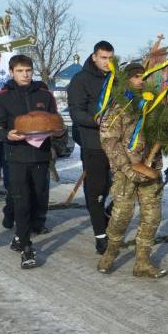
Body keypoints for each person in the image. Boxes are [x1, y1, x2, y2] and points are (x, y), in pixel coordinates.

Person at [0, 55, 64, 269]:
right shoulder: (3, 96)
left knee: (38, 199)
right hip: (17, 156)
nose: (25, 74)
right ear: (12, 72)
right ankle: (26, 248)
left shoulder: (44, 93)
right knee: (21, 202)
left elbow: (55, 120)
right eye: (21, 71)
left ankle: (19, 236)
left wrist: (58, 133)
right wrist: (7, 135)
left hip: (41, 156)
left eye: (28, 71)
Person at [97, 62, 168, 279]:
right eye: (136, 77)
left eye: (143, 77)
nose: (141, 81)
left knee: (152, 217)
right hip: (125, 171)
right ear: (127, 79)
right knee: (121, 215)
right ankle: (110, 253)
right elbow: (109, 141)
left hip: (150, 170)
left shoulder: (153, 105)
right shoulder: (118, 108)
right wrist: (127, 168)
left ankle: (142, 263)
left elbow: (161, 133)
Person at [68, 40, 115, 254]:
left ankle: (105, 214)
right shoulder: (81, 79)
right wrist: (95, 120)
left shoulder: (115, 79)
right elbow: (76, 111)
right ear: (94, 57)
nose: (107, 62)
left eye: (110, 58)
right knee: (96, 189)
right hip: (92, 141)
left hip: (116, 142)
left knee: (115, 187)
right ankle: (100, 235)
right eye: (103, 57)